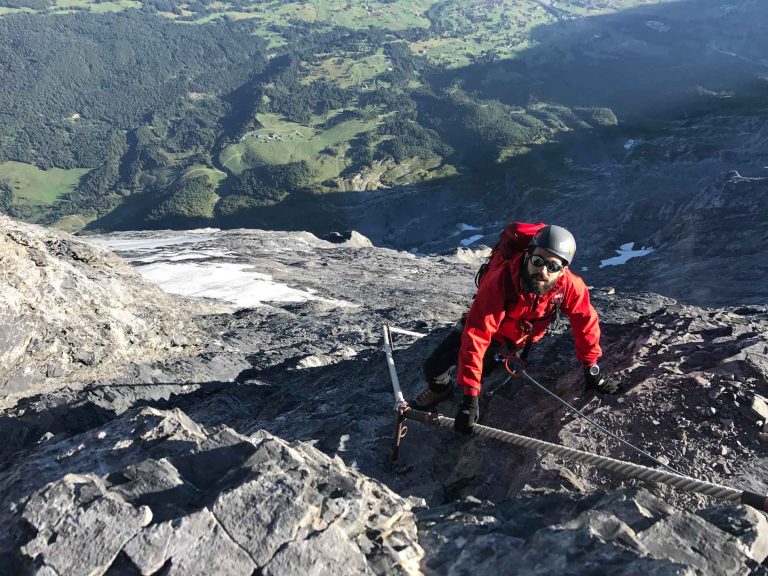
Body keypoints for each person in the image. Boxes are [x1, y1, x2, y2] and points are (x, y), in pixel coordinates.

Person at [412, 223, 619, 433]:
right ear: (528, 255)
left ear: (563, 270)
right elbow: (477, 334)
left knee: (486, 371)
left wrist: (592, 368)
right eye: (537, 261)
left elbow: (586, 322)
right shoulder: (502, 280)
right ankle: (441, 389)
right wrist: (469, 397)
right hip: (492, 329)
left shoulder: (570, 287)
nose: (543, 271)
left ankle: (497, 359)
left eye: (553, 266)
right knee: (433, 369)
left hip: (519, 337)